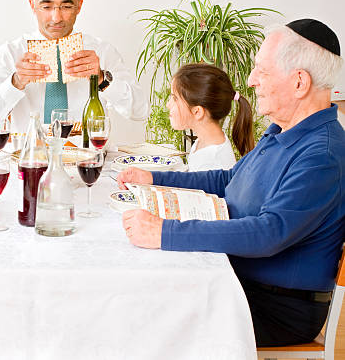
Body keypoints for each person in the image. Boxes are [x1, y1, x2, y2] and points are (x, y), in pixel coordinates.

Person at [118, 19, 345, 346]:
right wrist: (153, 178)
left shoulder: (321, 155)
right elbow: (229, 179)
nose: (251, 81)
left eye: (262, 71)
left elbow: (269, 233)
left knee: (143, 315)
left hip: (275, 308)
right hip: (240, 282)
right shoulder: (283, 131)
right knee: (136, 293)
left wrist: (164, 231)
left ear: (299, 83)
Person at [0, 0, 148, 131]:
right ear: (32, 5)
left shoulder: (102, 51)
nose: (56, 17)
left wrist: (102, 79)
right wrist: (16, 82)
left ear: (79, 6)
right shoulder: (10, 53)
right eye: (46, 6)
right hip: (29, 158)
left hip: (87, 158)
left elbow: (140, 111)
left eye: (66, 6)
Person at [169, 63, 254, 171]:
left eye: (175, 98)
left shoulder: (212, 161)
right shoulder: (203, 143)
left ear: (197, 112)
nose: (168, 104)